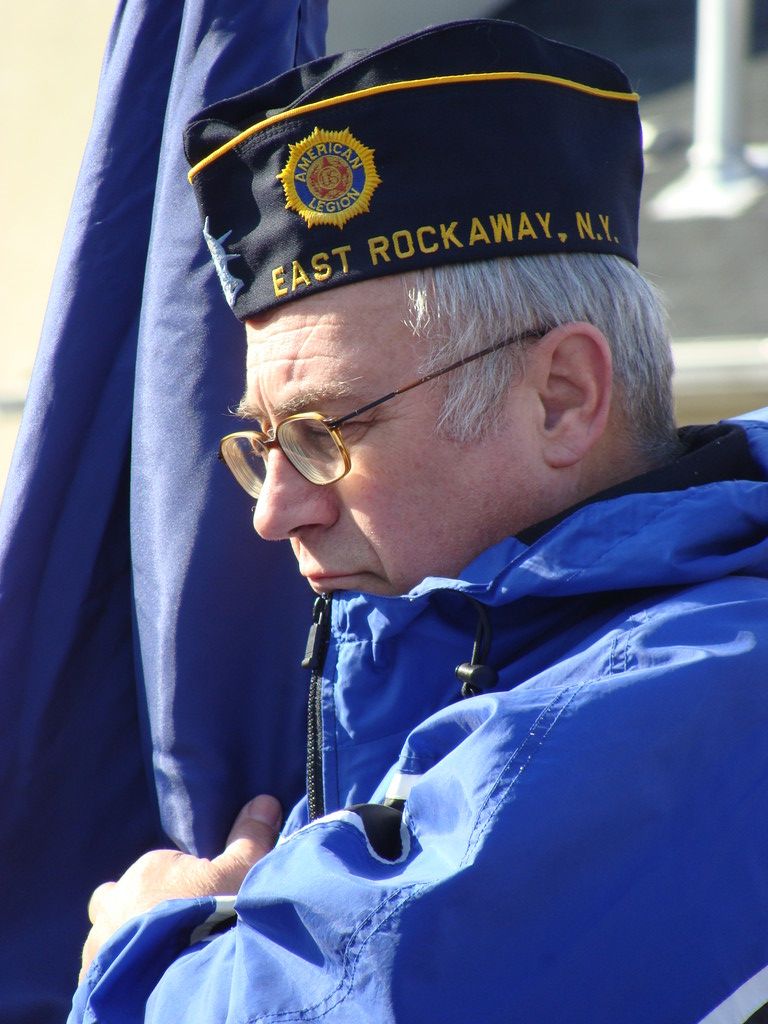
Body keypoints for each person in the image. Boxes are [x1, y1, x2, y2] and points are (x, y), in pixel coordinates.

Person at [70, 19, 768, 1024]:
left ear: (564, 396)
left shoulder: (701, 691)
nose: (275, 511)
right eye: (263, 442)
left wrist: (144, 949)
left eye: (326, 430)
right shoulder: (483, 665)